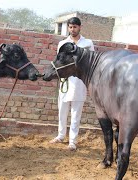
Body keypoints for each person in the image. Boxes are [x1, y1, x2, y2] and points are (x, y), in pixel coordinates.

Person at [50, 17, 95, 151]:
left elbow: (90, 62)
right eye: (70, 27)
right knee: (62, 111)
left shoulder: (87, 43)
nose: (72, 29)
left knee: (76, 114)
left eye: (75, 27)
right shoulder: (63, 43)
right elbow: (59, 62)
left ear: (80, 27)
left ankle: (72, 141)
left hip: (80, 82)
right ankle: (60, 135)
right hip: (65, 81)